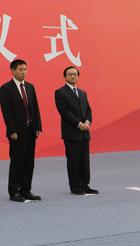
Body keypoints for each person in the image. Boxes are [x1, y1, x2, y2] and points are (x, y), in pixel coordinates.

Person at [0, 59, 43, 202]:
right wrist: (11, 130)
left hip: (30, 129)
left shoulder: (30, 87)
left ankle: (26, 190)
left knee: (29, 161)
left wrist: (38, 126)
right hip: (17, 132)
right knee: (17, 161)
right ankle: (14, 191)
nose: (23, 72)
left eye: (25, 69)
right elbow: (6, 112)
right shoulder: (6, 88)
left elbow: (35, 108)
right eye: (20, 69)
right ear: (12, 71)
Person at [55, 66, 98, 195]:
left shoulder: (82, 92)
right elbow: (64, 111)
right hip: (71, 132)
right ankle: (75, 187)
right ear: (64, 77)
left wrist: (87, 122)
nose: (73, 76)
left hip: (84, 132)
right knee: (73, 161)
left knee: (85, 160)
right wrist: (78, 123)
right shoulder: (60, 92)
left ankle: (85, 185)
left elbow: (88, 109)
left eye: (75, 74)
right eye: (70, 74)